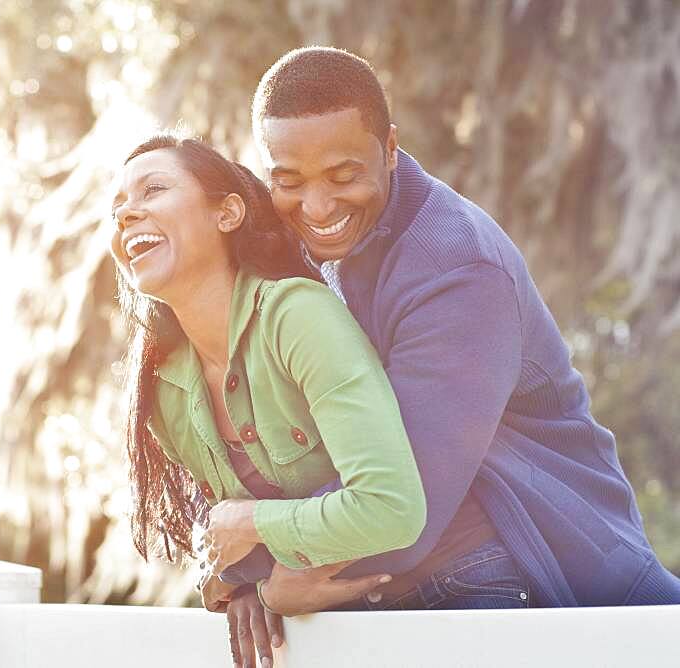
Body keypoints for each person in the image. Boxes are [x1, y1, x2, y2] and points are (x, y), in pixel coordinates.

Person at [226, 45, 680, 656]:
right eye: (289, 181)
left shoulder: (457, 268)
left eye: (343, 176)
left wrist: (252, 559)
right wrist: (250, 574)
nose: (317, 207)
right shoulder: (302, 245)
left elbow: (401, 513)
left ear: (389, 148)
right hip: (437, 585)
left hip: (558, 581)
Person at [109, 133, 430, 667]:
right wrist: (238, 585)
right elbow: (229, 553)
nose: (126, 215)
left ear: (227, 213)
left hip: (441, 607)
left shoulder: (297, 316)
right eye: (117, 207)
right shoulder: (164, 387)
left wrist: (250, 525)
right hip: (326, 639)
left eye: (153, 190)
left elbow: (391, 508)